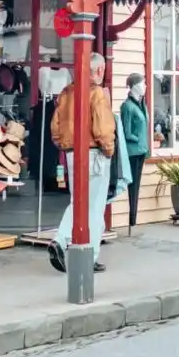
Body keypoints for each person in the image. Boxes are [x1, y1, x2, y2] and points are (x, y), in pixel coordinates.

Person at [49, 53, 117, 275]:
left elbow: (55, 127)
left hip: (71, 153)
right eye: (102, 70)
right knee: (94, 207)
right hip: (95, 153)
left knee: (77, 200)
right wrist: (109, 150)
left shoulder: (67, 92)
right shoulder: (96, 93)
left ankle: (63, 242)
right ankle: (84, 252)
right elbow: (103, 129)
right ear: (98, 71)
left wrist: (65, 145)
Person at [119, 72, 150, 231]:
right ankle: (132, 218)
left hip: (142, 150)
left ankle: (134, 219)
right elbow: (126, 130)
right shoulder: (127, 106)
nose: (145, 86)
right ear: (134, 86)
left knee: (137, 184)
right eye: (142, 83)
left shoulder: (141, 104)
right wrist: (137, 138)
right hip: (133, 151)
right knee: (133, 185)